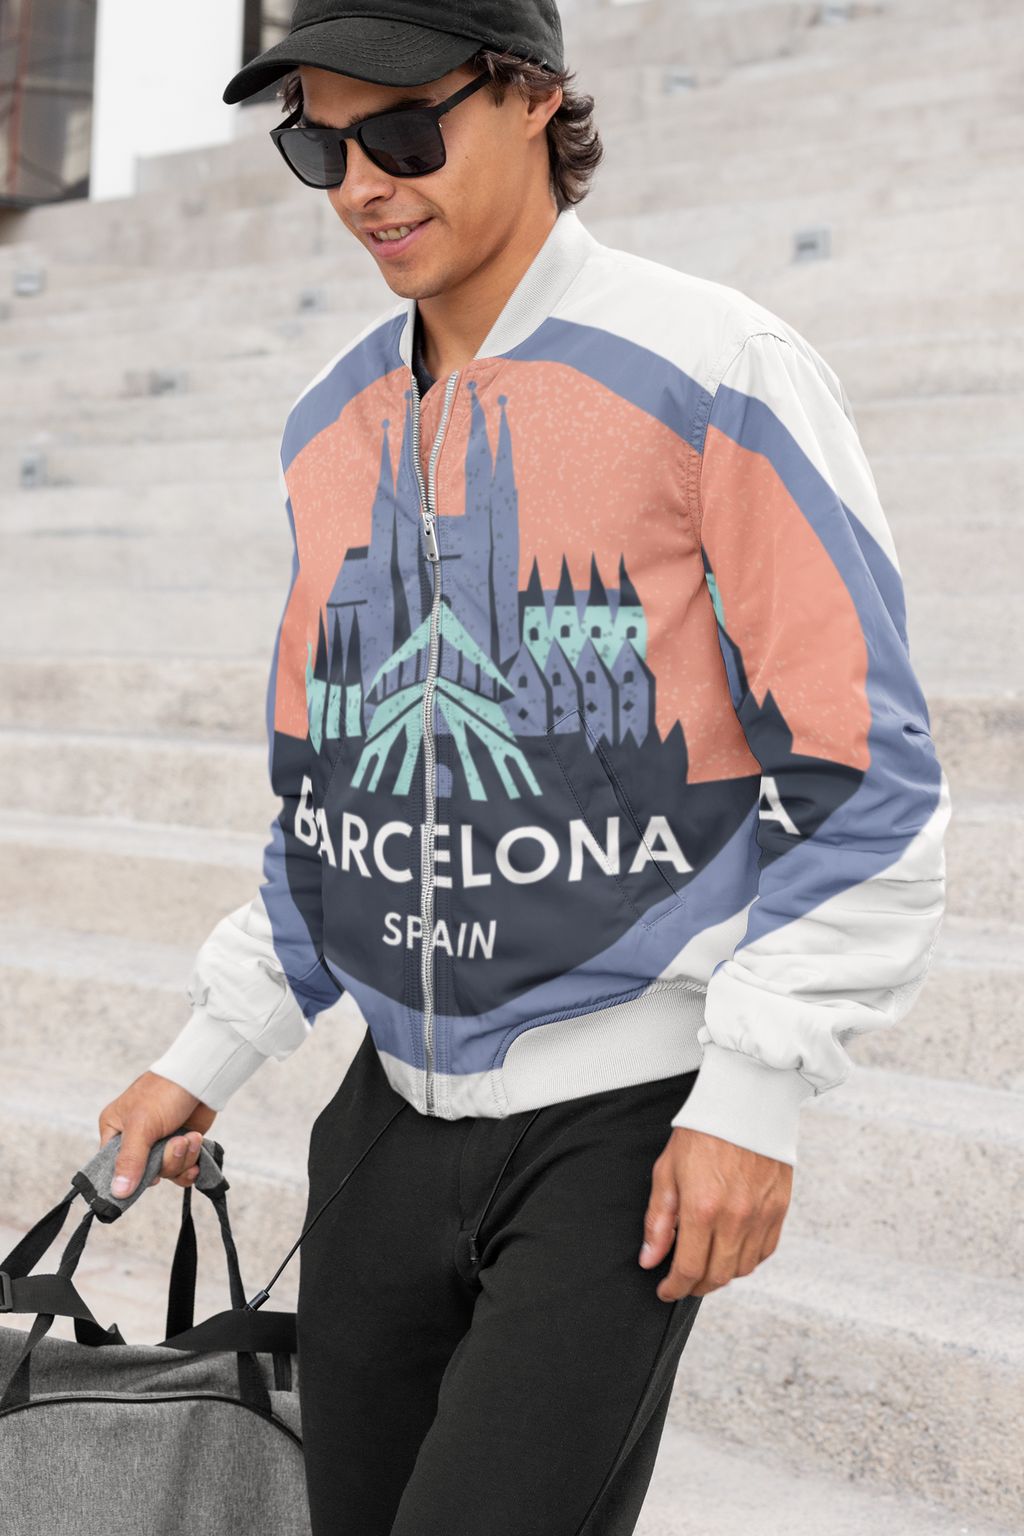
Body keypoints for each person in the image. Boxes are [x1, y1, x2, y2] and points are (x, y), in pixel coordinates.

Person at [98, 2, 949, 1531]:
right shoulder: (328, 419)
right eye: (319, 147)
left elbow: (864, 769)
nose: (364, 184)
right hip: (381, 1124)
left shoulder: (717, 367)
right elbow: (335, 788)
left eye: (402, 130)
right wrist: (209, 1048)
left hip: (618, 1124)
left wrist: (754, 1090)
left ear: (536, 96)